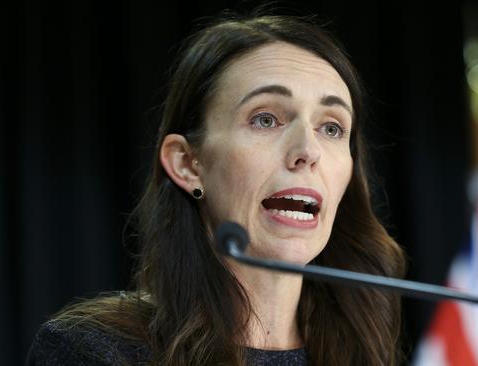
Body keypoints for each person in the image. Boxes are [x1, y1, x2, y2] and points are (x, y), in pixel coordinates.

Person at [26, 12, 407, 366]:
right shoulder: (94, 351)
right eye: (266, 119)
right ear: (187, 164)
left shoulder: (364, 351)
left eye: (331, 128)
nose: (308, 151)